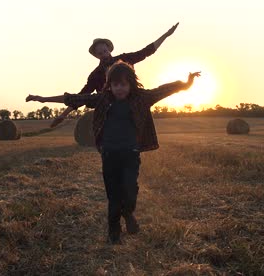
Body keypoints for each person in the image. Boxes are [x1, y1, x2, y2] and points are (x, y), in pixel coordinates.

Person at [26, 61, 201, 244]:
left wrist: (187, 83)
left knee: (130, 189)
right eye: (115, 84)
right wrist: (43, 99)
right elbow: (74, 98)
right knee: (113, 195)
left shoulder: (141, 98)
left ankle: (128, 212)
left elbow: (165, 89)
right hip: (109, 154)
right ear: (109, 85)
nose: (119, 89)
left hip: (131, 154)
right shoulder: (102, 99)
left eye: (123, 84)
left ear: (130, 84)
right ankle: (114, 232)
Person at [37, 23, 179, 128]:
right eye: (100, 53)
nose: (104, 55)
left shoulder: (124, 59)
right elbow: (80, 97)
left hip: (131, 103)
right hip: (110, 109)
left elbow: (146, 51)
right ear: (96, 56)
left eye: (105, 51)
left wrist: (166, 35)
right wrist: (62, 115)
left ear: (109, 50)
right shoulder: (95, 75)